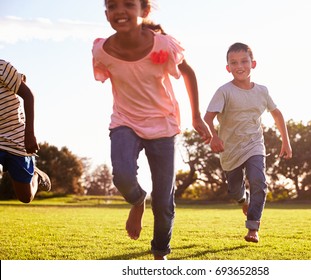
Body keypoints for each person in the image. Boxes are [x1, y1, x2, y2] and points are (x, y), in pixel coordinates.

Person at [92, 0, 211, 260]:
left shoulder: (164, 45)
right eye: (112, 6)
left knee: (163, 201)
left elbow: (188, 73)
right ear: (106, 13)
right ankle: (137, 200)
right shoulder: (102, 49)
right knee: (122, 175)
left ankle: (160, 253)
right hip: (125, 121)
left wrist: (196, 116)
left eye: (128, 4)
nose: (120, 11)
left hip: (163, 125)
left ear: (144, 11)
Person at [204, 42, 292, 243]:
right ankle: (243, 200)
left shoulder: (262, 91)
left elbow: (277, 114)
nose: (239, 66)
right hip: (230, 149)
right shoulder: (224, 91)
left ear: (253, 63)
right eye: (233, 62)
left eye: (244, 61)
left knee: (259, 182)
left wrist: (285, 141)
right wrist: (214, 136)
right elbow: (207, 118)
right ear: (228, 68)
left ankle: (253, 227)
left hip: (254, 145)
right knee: (235, 190)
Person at [0, 60, 51, 203]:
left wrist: (29, 134)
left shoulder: (2, 68)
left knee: (25, 197)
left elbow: (28, 95)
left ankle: (36, 175)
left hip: (16, 137)